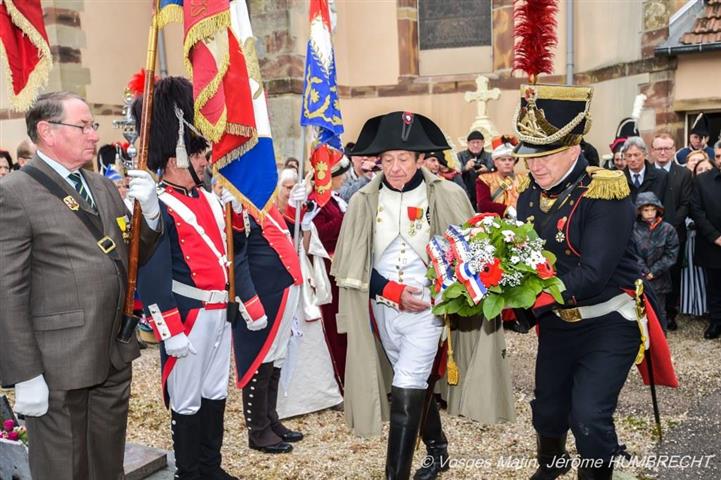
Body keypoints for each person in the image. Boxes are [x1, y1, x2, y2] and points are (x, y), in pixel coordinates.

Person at [332, 111, 513, 480]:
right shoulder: (362, 201)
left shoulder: (447, 194)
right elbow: (352, 265)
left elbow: (468, 256)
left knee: (407, 383)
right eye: (388, 159)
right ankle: (437, 447)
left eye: (403, 158)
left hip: (429, 312)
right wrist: (391, 291)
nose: (395, 168)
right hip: (384, 309)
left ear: (419, 159)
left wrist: (440, 292)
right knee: (410, 382)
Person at [0, 91, 161, 480]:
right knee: (63, 469)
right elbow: (8, 290)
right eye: (84, 126)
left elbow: (131, 257)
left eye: (93, 125)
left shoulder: (101, 186)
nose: (94, 134)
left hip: (112, 351)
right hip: (58, 363)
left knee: (107, 465)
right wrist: (25, 373)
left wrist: (152, 215)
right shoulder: (15, 193)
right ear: (47, 131)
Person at [513, 83, 667, 480]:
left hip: (609, 320)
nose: (535, 166)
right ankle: (552, 465)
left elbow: (593, 274)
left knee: (588, 414)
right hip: (558, 320)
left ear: (573, 148)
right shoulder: (529, 195)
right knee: (548, 409)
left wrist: (531, 303)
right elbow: (527, 258)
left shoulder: (605, 192)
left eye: (545, 156)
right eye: (530, 156)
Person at [133, 77, 237, 480]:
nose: (205, 161)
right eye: (198, 155)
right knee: (187, 400)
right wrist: (169, 329)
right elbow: (151, 271)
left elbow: (228, 255)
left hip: (218, 312)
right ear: (177, 158)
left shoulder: (209, 199)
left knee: (215, 392)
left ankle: (211, 467)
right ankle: (189, 472)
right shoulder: (157, 204)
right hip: (188, 317)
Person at [224, 175, 306, 454]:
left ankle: (270, 419)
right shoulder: (239, 206)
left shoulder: (262, 205)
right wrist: (248, 300)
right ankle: (258, 430)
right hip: (263, 294)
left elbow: (281, 237)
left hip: (281, 290)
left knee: (275, 358)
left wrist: (294, 208)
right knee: (259, 360)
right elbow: (237, 257)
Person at [314, 156, 350, 391]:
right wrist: (347, 219)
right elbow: (319, 233)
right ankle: (339, 377)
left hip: (341, 268)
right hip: (328, 270)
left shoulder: (334, 200)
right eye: (340, 175)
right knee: (334, 325)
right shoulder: (318, 203)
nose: (344, 178)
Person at [650, 132, 692, 330]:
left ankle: (670, 314)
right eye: (659, 148)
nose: (663, 152)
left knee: (673, 275)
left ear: (674, 150)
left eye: (667, 148)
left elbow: (686, 204)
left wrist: (667, 228)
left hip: (675, 234)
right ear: (652, 151)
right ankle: (651, 312)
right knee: (650, 274)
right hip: (647, 235)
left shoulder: (684, 174)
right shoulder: (647, 173)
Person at [630, 193, 680, 330]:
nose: (650, 213)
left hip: (659, 279)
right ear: (639, 210)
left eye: (653, 209)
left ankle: (660, 339)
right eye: (646, 210)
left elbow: (671, 254)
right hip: (638, 278)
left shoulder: (667, 229)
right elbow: (630, 251)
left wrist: (654, 272)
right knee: (638, 312)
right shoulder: (632, 228)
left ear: (658, 209)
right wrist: (645, 271)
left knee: (659, 312)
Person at [690, 158, 721, 339]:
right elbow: (697, 210)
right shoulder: (702, 180)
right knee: (715, 285)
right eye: (718, 156)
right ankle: (716, 321)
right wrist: (715, 236)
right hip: (712, 243)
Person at [680, 160, 711, 319]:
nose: (704, 172)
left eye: (707, 169)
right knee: (695, 274)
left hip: (713, 237)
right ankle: (697, 306)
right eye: (700, 169)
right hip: (693, 235)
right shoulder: (690, 188)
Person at [475, 138, 522, 215]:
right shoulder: (485, 179)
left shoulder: (523, 179)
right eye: (503, 160)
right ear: (495, 162)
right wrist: (508, 210)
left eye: (510, 159)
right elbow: (483, 204)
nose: (507, 163)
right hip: (496, 220)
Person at [623, 136, 669, 205]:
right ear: (625, 157)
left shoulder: (661, 177)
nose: (632, 159)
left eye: (636, 155)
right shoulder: (619, 179)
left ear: (645, 155)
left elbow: (667, 204)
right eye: (629, 156)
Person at [458, 130, 493, 209]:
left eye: (478, 142)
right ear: (467, 143)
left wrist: (487, 170)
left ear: (483, 143)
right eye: (473, 142)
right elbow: (454, 173)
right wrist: (465, 168)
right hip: (466, 194)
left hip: (485, 195)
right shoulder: (460, 156)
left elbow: (497, 173)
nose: (475, 145)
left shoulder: (490, 156)